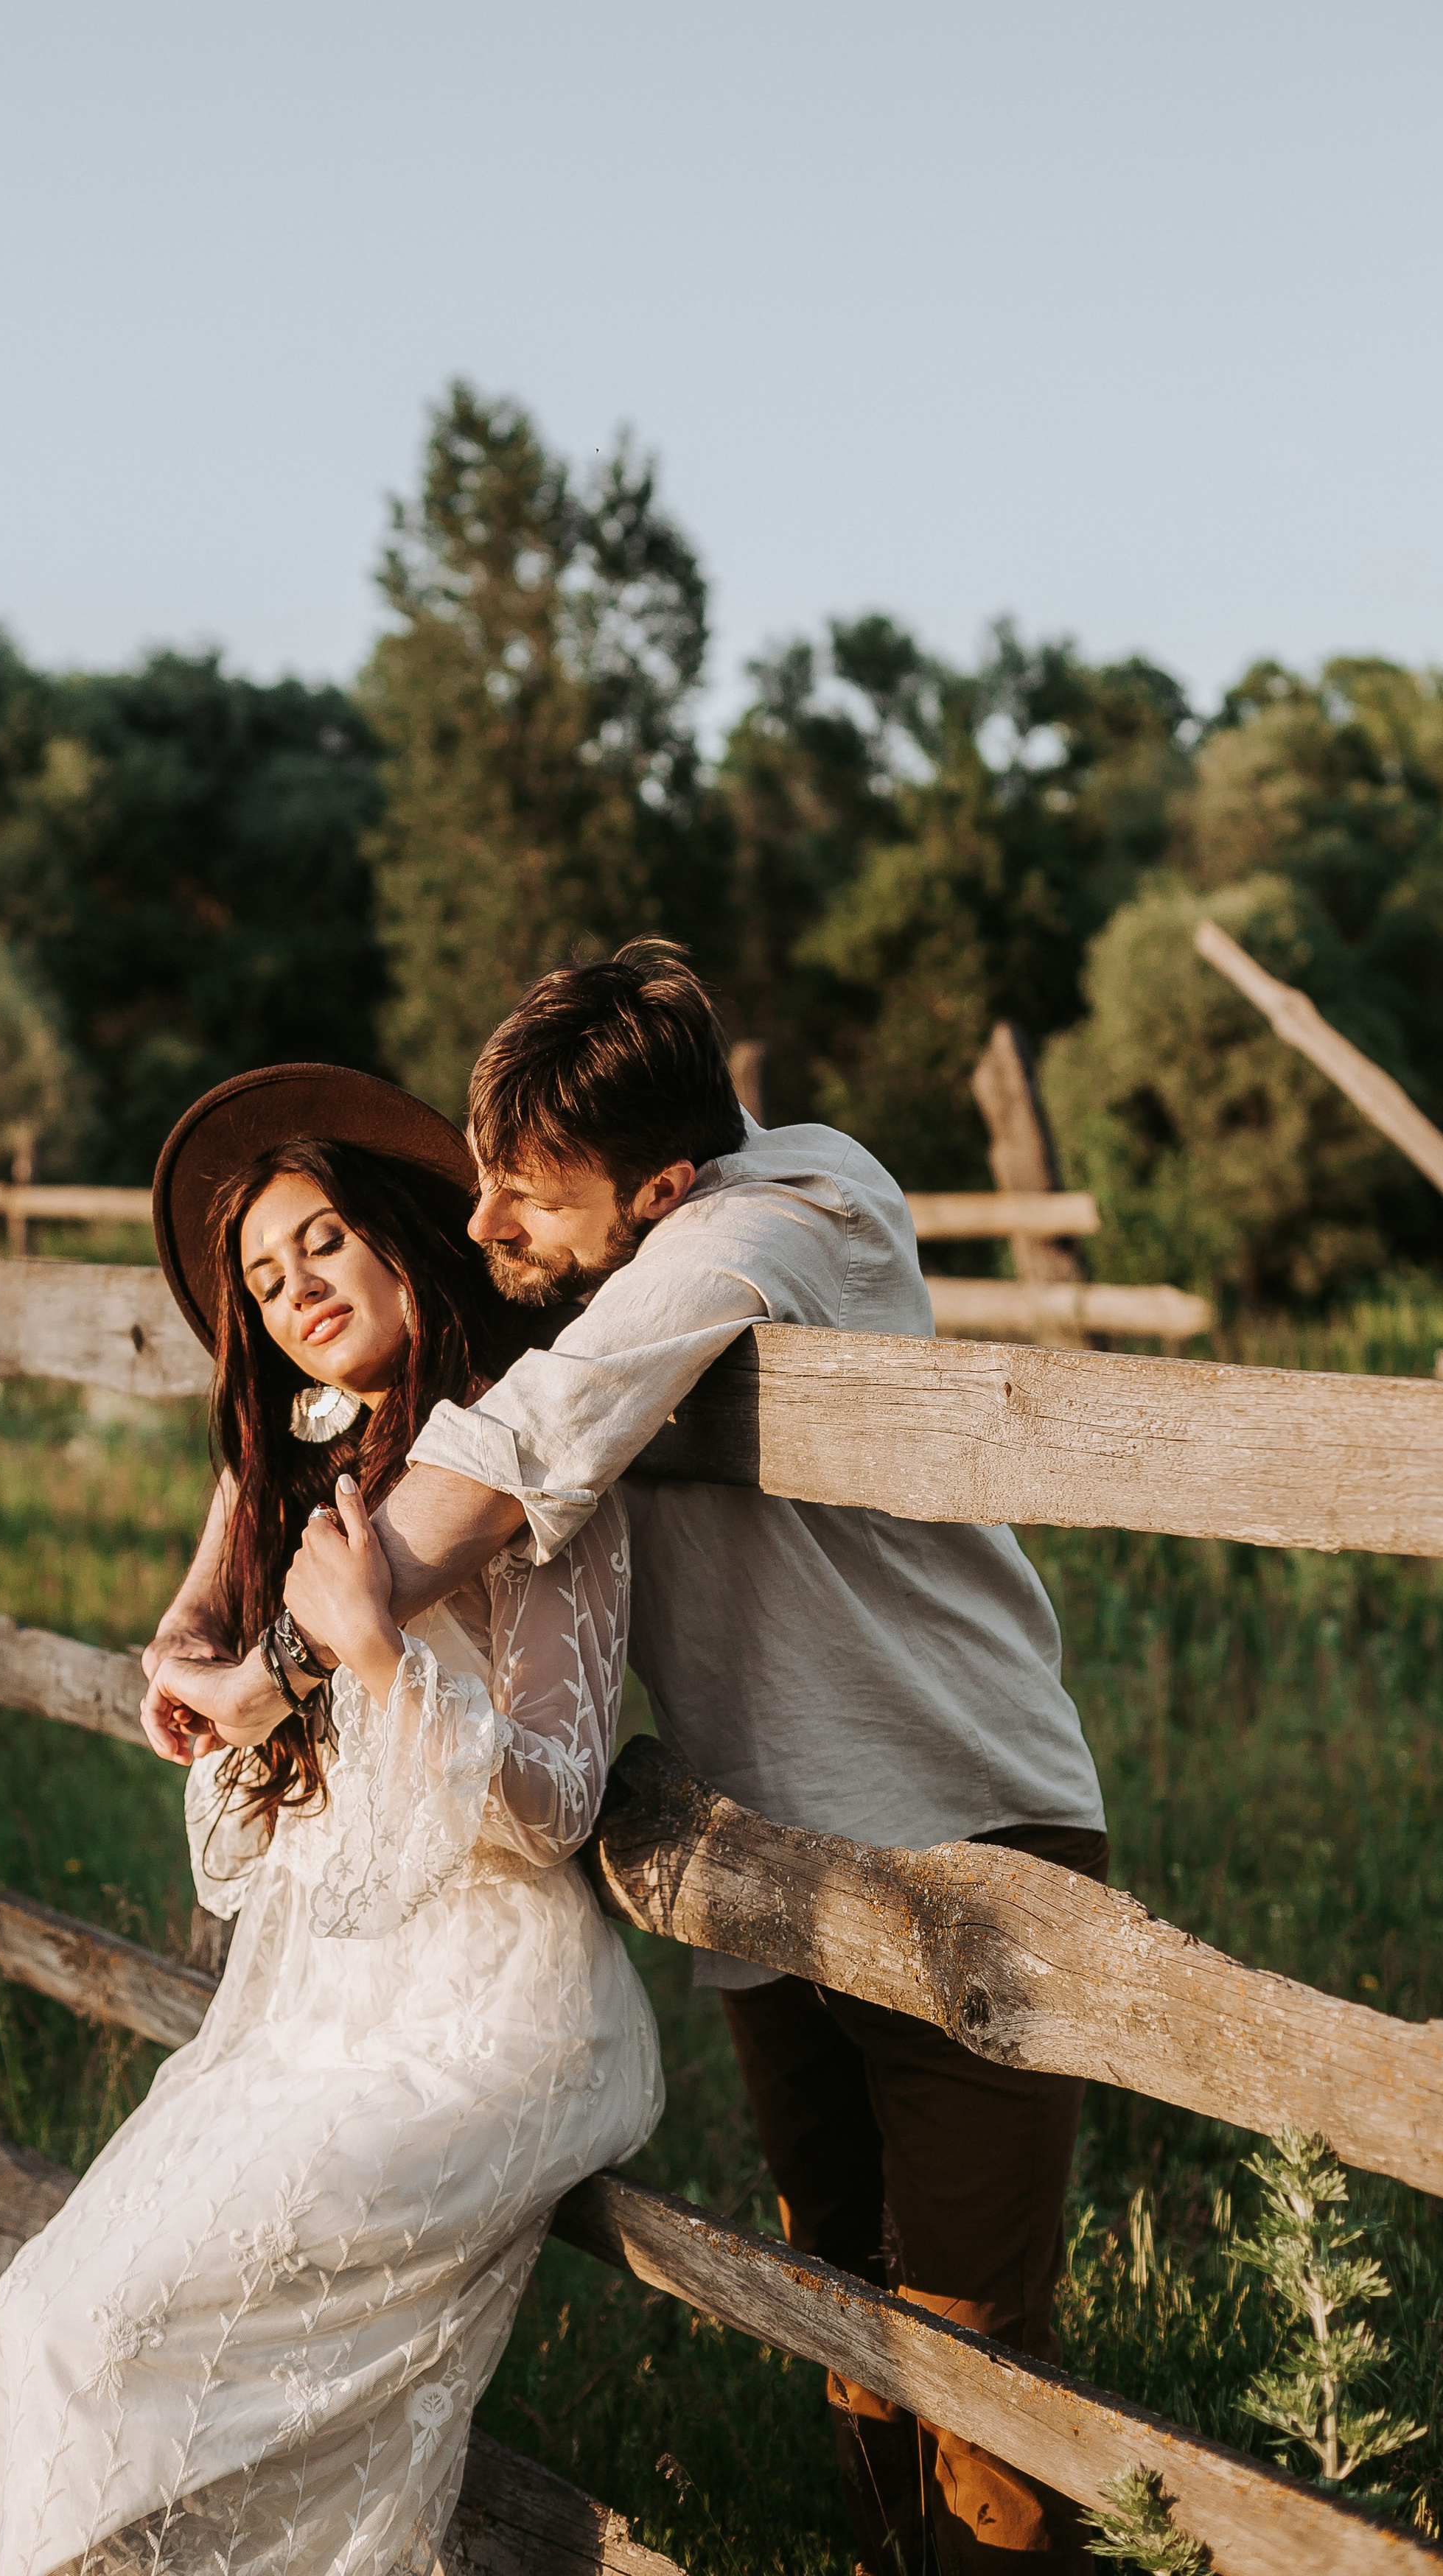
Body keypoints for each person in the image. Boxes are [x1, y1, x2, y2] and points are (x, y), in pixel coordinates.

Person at [154, 945, 1108, 2575]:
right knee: (852, 2338)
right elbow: (336, 1421)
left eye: (524, 1200)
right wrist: (197, 1618)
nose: (483, 1230)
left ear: (661, 1183)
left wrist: (297, 1658)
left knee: (976, 2364)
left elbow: (521, 1438)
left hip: (961, 1830)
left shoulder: (778, 1218)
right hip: (775, 1868)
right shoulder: (610, 1254)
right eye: (482, 1183)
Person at [0, 1067, 662, 2576]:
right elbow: (236, 1727)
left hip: (490, 2014)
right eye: (263, 1280)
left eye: (321, 1241)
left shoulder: (520, 1462)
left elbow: (552, 1809)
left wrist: (385, 1663)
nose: (295, 1289)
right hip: (312, 2013)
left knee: (98, 2335)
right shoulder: (314, 1476)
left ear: (403, 1228)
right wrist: (217, 1615)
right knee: (46, 2315)